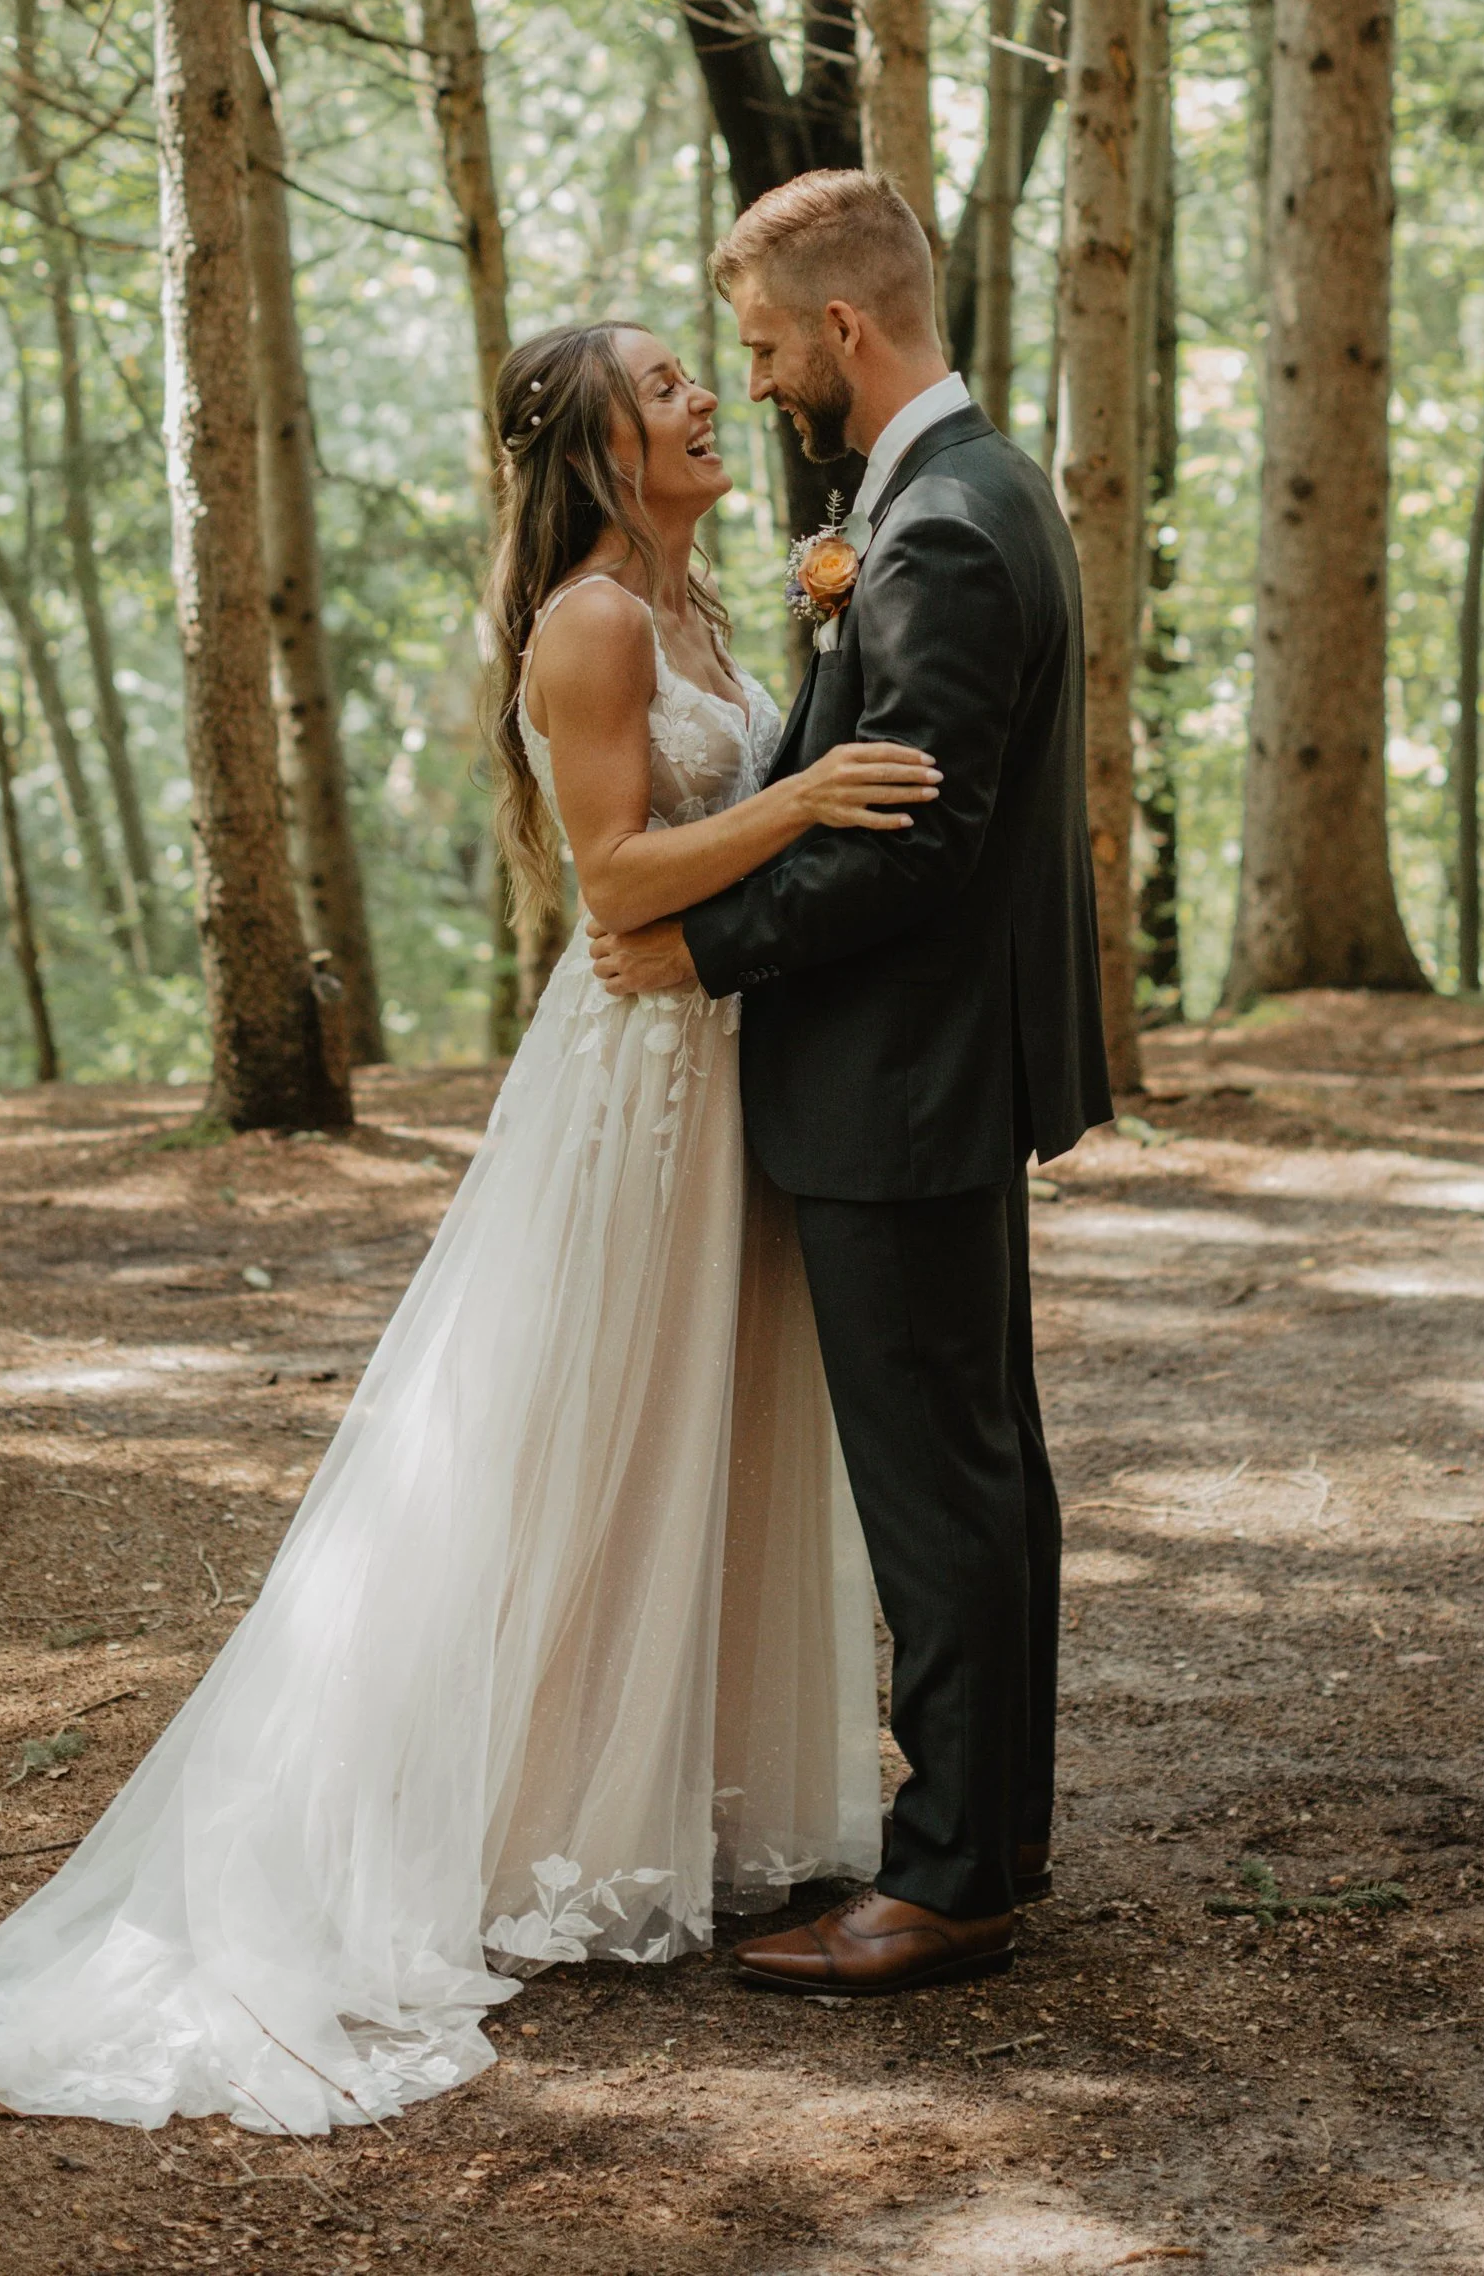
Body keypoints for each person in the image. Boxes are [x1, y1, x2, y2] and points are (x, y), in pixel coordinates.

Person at [0, 320, 934, 2134]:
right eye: (668, 383)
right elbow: (612, 875)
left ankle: (653, 1792)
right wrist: (804, 795)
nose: (705, 399)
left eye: (705, 372)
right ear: (600, 448)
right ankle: (508, 1817)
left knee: (708, 1429)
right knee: (576, 1437)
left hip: (730, 1066)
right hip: (636, 1086)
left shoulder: (702, 613)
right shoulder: (593, 624)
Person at [590, 168, 1111, 2003]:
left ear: (842, 329)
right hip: (937, 1069)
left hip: (906, 1075)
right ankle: (996, 1831)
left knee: (939, 1482)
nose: (755, 382)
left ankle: (955, 1876)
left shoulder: (943, 528)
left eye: (759, 347)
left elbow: (920, 844)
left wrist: (697, 948)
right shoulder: (965, 491)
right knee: (979, 1465)